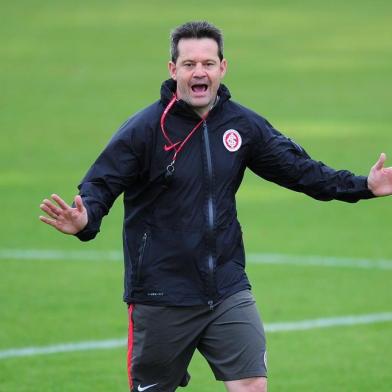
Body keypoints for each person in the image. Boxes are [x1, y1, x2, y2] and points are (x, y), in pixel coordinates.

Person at [39, 21, 392, 392]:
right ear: (173, 70)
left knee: (253, 385)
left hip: (226, 288)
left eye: (208, 63)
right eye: (189, 64)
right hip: (162, 294)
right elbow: (101, 183)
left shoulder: (243, 125)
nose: (199, 72)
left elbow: (301, 171)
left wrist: (364, 186)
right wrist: (86, 218)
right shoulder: (144, 130)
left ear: (223, 68)